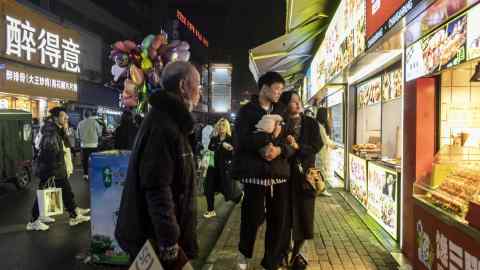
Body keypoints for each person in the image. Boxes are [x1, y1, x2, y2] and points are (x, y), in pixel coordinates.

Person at [115, 61, 201, 268]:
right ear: (182, 86)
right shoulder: (163, 124)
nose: (200, 92)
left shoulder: (171, 121)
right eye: (197, 85)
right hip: (154, 240)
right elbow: (157, 188)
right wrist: (169, 242)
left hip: (160, 236)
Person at [233, 71, 293, 270]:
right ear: (264, 87)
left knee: (278, 221)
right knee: (252, 218)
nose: (278, 93)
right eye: (276, 89)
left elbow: (291, 142)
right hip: (255, 177)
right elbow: (240, 141)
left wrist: (279, 150)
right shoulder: (246, 111)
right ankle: (244, 253)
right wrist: (264, 140)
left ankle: (271, 261)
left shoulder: (283, 111)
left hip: (278, 177)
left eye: (281, 90)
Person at [27, 107, 90, 231]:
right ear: (56, 118)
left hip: (54, 169)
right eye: (63, 116)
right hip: (52, 170)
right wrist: (52, 172)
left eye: (66, 116)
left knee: (62, 191)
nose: (66, 118)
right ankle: (34, 221)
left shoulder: (55, 129)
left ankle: (72, 213)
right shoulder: (51, 131)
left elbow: (61, 145)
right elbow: (49, 153)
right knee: (49, 193)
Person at [279, 91, 322, 268]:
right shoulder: (280, 123)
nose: (297, 104)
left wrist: (298, 147)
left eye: (299, 101)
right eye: (293, 101)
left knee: (304, 217)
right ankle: (282, 253)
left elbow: (317, 145)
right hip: (284, 177)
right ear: (286, 105)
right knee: (283, 218)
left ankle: (297, 255)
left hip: (305, 177)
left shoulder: (310, 123)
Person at [203, 118, 241, 218]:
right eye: (219, 125)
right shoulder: (214, 139)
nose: (221, 127)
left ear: (227, 127)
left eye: (223, 125)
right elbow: (210, 152)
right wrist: (205, 164)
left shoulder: (231, 139)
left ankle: (239, 196)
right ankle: (210, 210)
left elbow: (235, 154)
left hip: (225, 169)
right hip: (213, 168)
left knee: (229, 192)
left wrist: (230, 148)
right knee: (208, 188)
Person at [316, 108, 337, 197]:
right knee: (322, 171)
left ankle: (320, 189)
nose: (328, 117)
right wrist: (333, 146)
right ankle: (322, 190)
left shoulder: (319, 125)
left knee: (321, 171)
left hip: (321, 152)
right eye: (327, 115)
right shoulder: (320, 126)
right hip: (322, 152)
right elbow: (325, 140)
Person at [77, 111, 102, 181]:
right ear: (91, 115)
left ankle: (86, 175)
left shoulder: (80, 123)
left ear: (84, 116)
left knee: (85, 160)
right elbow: (99, 133)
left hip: (84, 145)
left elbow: (77, 135)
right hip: (94, 145)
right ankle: (95, 173)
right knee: (94, 160)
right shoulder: (95, 122)